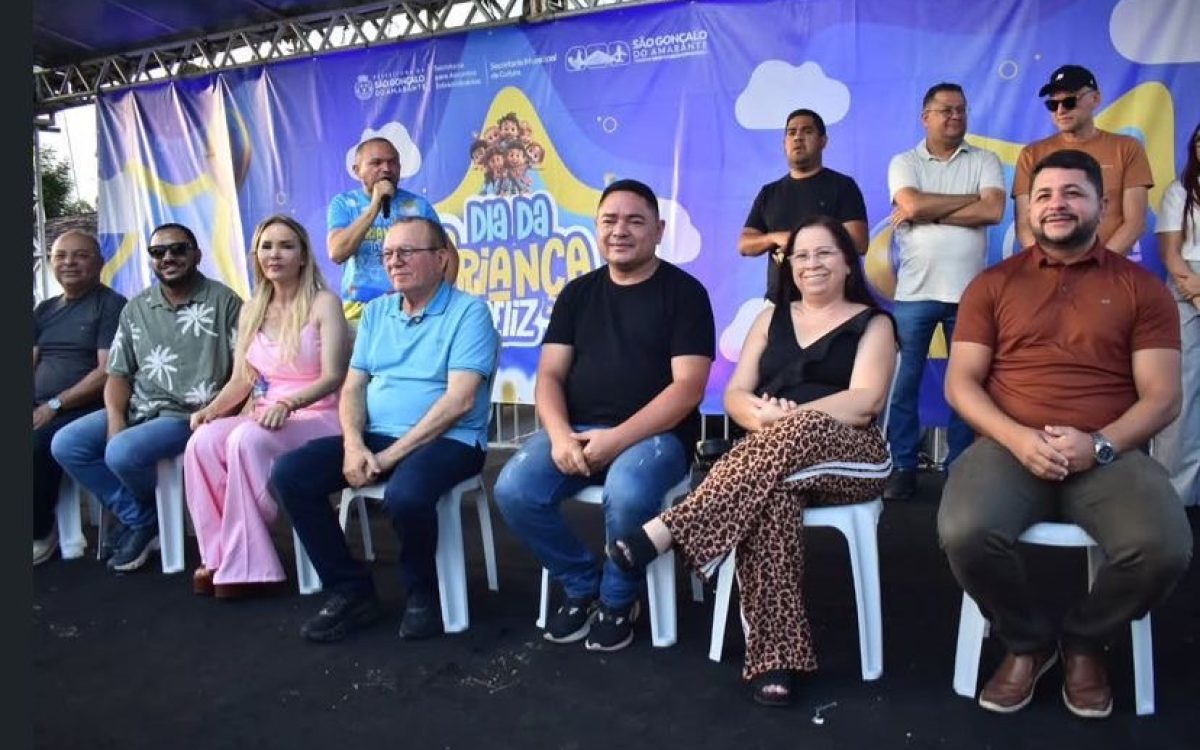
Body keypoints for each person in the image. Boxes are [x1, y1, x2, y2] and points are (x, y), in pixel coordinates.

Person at [938, 150, 1191, 719]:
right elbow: (961, 383)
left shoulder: (1140, 289)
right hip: (1008, 447)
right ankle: (1027, 642)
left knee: (1162, 548)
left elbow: (1162, 397)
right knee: (965, 531)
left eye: (1072, 193)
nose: (1056, 205)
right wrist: (1019, 439)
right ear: (1029, 209)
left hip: (1108, 452)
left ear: (1103, 206)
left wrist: (1098, 444)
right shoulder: (992, 285)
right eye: (1045, 195)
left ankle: (1084, 640)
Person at [605, 215, 896, 705]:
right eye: (800, 255)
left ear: (848, 262)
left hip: (852, 455)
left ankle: (672, 529)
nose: (811, 264)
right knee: (772, 497)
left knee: (792, 436)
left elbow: (864, 400)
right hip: (771, 459)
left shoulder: (874, 323)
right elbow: (736, 393)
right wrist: (762, 416)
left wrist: (793, 417)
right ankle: (774, 658)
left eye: (824, 253)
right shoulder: (769, 318)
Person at [494, 179, 716, 653]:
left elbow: (688, 388)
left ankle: (619, 597)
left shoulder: (685, 293)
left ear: (658, 231)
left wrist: (615, 441)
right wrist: (558, 437)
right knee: (514, 489)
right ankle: (581, 582)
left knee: (629, 491)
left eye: (635, 221)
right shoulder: (577, 294)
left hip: (656, 438)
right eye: (610, 221)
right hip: (574, 429)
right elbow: (550, 376)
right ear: (596, 229)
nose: (621, 231)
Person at [270, 216, 498, 642]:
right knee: (291, 474)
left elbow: (460, 401)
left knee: (406, 494)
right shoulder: (376, 313)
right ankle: (351, 590)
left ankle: (421, 592)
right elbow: (353, 387)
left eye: (406, 252)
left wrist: (390, 457)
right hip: (376, 436)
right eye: (388, 254)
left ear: (441, 259)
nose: (394, 262)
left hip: (453, 440)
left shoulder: (470, 312)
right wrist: (354, 446)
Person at [51, 223, 243, 573]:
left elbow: (242, 373)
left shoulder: (225, 301)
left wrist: (218, 412)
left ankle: (141, 520)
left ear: (196, 255)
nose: (168, 257)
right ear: (151, 260)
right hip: (141, 408)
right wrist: (115, 419)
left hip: (191, 415)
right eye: (158, 252)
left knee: (122, 452)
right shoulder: (137, 307)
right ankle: (143, 517)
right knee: (67, 442)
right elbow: (118, 374)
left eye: (178, 249)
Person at [183, 216, 349, 598]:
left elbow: (335, 376)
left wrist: (291, 403)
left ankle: (249, 564)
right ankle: (219, 557)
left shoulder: (325, 303)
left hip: (320, 412)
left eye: (286, 245)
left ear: (303, 256)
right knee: (202, 442)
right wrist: (212, 409)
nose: (275, 254)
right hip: (269, 411)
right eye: (267, 246)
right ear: (256, 255)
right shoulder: (252, 308)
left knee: (246, 439)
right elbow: (242, 379)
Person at [883, 83, 1005, 500]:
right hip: (914, 294)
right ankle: (901, 465)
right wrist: (963, 202)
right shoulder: (904, 161)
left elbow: (993, 209)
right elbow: (911, 205)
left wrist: (930, 212)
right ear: (926, 117)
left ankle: (960, 469)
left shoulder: (985, 159)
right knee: (904, 383)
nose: (956, 116)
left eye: (961, 110)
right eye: (946, 110)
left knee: (966, 385)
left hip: (971, 294)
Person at [32, 230, 127, 565]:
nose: (69, 263)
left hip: (87, 406)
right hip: (40, 404)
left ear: (99, 262)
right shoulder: (44, 310)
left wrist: (54, 405)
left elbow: (107, 371)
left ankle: (40, 532)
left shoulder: (111, 305)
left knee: (35, 443)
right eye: (60, 256)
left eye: (80, 255)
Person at [1012, 65, 1152, 255]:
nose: (1060, 110)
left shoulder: (1127, 148)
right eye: (1052, 105)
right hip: (1048, 274)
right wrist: (1050, 266)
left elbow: (1135, 222)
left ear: (1095, 99)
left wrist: (1096, 265)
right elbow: (1024, 224)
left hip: (1108, 270)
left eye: (1070, 102)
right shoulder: (1031, 154)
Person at [740, 108, 868, 300]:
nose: (798, 137)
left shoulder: (843, 186)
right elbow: (744, 244)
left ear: (823, 141)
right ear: (784, 144)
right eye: (791, 133)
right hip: (780, 302)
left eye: (807, 131)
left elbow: (859, 242)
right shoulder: (769, 192)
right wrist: (774, 238)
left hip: (834, 302)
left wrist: (799, 242)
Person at [327, 136, 459, 323]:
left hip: (407, 309)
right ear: (357, 170)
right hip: (358, 313)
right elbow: (337, 252)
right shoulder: (344, 204)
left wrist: (435, 304)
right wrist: (375, 206)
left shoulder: (417, 205)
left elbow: (449, 257)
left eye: (393, 162)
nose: (386, 169)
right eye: (376, 163)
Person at [1152, 121, 1200, 507]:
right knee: (1182, 395)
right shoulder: (1180, 192)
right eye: (1199, 140)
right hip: (1188, 288)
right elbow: (1170, 254)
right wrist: (1196, 291)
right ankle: (1177, 497)